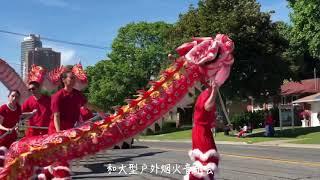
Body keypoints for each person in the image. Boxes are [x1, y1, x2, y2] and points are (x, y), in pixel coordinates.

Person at [46, 69, 87, 179]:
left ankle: (56, 172)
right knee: (61, 154)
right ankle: (60, 175)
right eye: (71, 78)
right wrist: (59, 133)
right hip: (56, 128)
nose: (74, 80)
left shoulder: (77, 94)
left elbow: (87, 104)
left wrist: (101, 111)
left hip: (69, 128)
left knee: (66, 154)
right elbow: (56, 116)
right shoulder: (57, 96)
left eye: (74, 78)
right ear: (64, 80)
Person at [187, 82, 219, 180]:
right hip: (201, 131)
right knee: (207, 160)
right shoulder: (206, 94)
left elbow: (209, 116)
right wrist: (214, 90)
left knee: (209, 160)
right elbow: (207, 106)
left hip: (204, 131)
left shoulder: (208, 94)